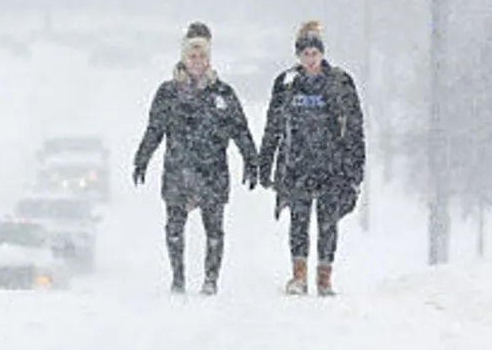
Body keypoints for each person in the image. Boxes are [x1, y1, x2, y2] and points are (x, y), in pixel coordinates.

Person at [133, 21, 259, 295]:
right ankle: (178, 279)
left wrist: (251, 159)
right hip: (178, 170)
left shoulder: (223, 93)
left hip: (212, 171)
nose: (197, 61)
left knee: (214, 230)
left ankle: (210, 279)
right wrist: (142, 158)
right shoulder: (167, 93)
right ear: (183, 57)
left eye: (202, 56)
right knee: (174, 228)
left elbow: (240, 129)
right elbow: (154, 129)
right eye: (192, 55)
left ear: (209, 58)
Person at [258, 20, 365, 297]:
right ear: (298, 55)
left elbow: (354, 128)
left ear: (322, 53)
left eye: (314, 53)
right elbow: (273, 126)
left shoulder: (340, 82)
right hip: (297, 164)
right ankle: (299, 276)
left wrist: (355, 168)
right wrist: (265, 161)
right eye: (305, 53)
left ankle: (325, 278)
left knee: (328, 224)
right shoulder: (286, 84)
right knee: (299, 222)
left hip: (332, 166)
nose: (310, 58)